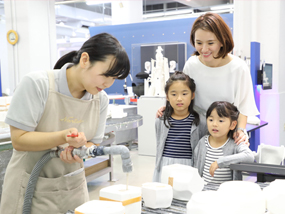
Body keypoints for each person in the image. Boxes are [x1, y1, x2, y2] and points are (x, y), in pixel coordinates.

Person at [0, 33, 130, 214]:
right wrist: (62, 137)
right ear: (85, 59)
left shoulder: (100, 100)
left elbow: (94, 143)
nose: (109, 83)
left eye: (114, 78)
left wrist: (80, 150)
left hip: (73, 188)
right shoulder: (38, 84)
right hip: (29, 187)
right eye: (106, 75)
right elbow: (19, 140)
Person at [157, 12, 259, 144]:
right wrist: (172, 106)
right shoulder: (192, 64)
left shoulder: (238, 67)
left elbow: (244, 106)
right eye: (199, 42)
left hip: (225, 134)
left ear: (222, 41)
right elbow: (183, 92)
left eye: (210, 43)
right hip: (195, 130)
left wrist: (240, 130)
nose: (204, 49)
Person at [153, 71, 207, 182]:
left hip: (189, 166)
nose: (179, 99)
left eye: (184, 93)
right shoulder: (161, 120)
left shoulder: (200, 121)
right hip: (165, 165)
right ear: (167, 96)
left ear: (192, 95)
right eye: (173, 94)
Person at [193, 101, 254, 184]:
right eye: (211, 120)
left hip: (226, 193)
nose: (214, 124)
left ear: (232, 125)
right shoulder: (203, 142)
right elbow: (196, 169)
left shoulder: (235, 142)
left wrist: (220, 162)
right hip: (205, 191)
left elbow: (249, 156)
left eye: (220, 121)